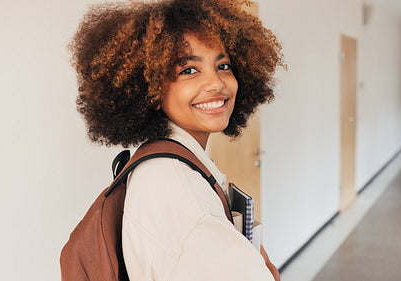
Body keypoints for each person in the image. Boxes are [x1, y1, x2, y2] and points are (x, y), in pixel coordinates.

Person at [69, 0, 284, 280]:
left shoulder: (162, 164)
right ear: (151, 88)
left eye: (223, 65)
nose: (216, 83)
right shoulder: (178, 190)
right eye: (188, 70)